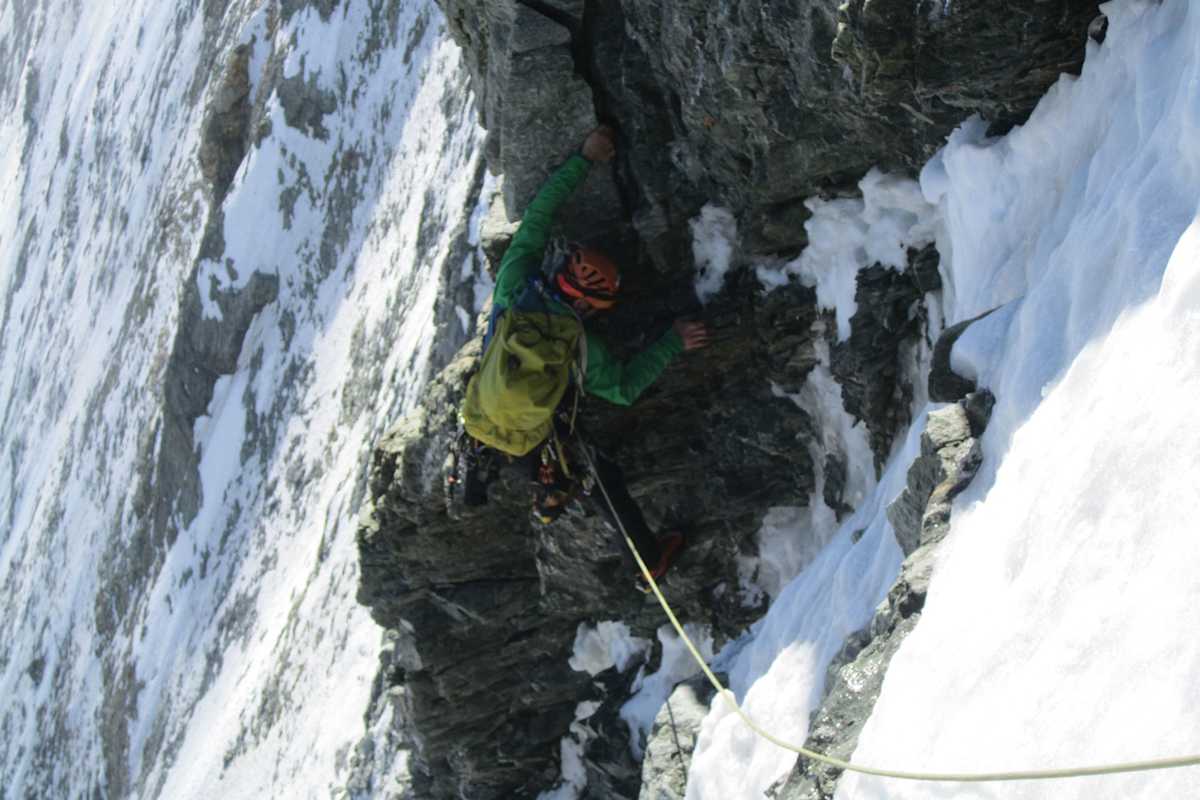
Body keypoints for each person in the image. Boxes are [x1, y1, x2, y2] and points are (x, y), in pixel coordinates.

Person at [466, 125, 709, 584]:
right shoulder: (581, 344)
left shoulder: (515, 281)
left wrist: (585, 157)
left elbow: (539, 215)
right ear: (591, 307)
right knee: (602, 478)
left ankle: (525, 488)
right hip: (537, 435)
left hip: (481, 412)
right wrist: (674, 340)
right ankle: (646, 562)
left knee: (516, 445)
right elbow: (622, 388)